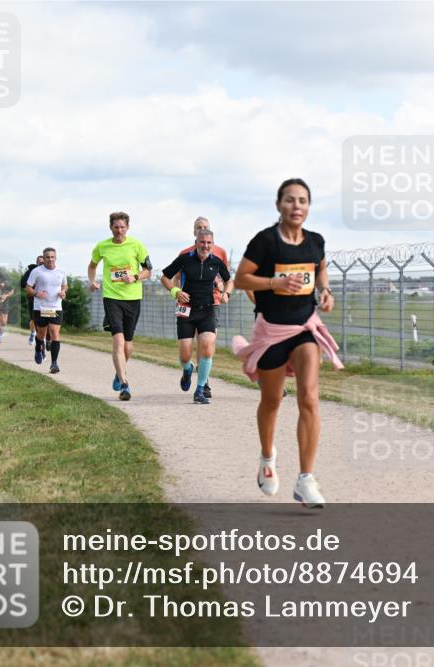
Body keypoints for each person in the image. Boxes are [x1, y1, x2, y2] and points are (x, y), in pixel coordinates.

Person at [232, 178, 342, 508]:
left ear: (309, 207)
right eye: (290, 200)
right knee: (272, 401)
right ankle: (267, 458)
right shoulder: (265, 242)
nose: (297, 206)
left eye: (303, 201)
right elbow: (240, 279)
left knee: (309, 397)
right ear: (278, 205)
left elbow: (320, 270)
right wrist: (274, 281)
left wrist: (325, 292)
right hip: (271, 331)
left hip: (305, 326)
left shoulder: (316, 242)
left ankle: (306, 479)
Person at [160, 228, 231, 404]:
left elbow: (229, 280)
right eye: (202, 242)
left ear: (212, 244)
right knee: (185, 355)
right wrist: (176, 291)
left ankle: (200, 390)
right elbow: (164, 277)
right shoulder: (185, 259)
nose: (205, 246)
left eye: (209, 243)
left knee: (207, 348)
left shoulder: (216, 262)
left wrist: (226, 294)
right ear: (196, 242)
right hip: (186, 310)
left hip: (207, 310)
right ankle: (188, 368)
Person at [87, 211, 152, 401]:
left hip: (133, 298)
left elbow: (148, 271)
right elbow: (92, 266)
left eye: (123, 227)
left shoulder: (137, 245)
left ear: (128, 228)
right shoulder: (102, 246)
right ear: (111, 228)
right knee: (118, 340)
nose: (119, 231)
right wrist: (93, 281)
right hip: (111, 297)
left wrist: (134, 277)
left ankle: (119, 371)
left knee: (128, 346)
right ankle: (124, 384)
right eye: (116, 227)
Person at [26, 247, 67, 373]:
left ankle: (54, 363)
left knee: (54, 333)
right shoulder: (37, 271)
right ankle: (38, 349)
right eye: (47, 257)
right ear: (43, 259)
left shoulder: (61, 271)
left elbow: (64, 285)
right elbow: (28, 288)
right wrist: (37, 293)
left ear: (56, 258)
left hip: (55, 307)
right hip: (40, 307)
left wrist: (63, 292)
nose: (50, 259)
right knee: (41, 334)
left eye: (52, 257)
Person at [21, 255, 44, 345]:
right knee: (34, 319)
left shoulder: (51, 271)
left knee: (48, 318)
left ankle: (45, 338)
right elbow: (22, 283)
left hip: (47, 300)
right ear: (37, 263)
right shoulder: (31, 271)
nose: (41, 264)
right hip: (33, 299)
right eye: (39, 262)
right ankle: (33, 332)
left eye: (43, 262)